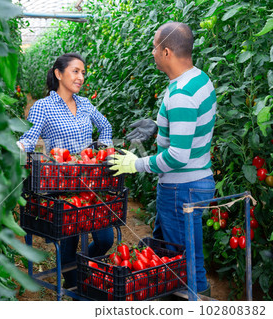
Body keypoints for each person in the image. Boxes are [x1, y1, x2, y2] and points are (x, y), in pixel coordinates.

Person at [108, 22, 216, 296]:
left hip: (181, 188)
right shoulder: (199, 79)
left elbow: (178, 155)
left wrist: (136, 164)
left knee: (184, 268)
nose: (152, 53)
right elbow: (190, 130)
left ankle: (197, 303)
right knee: (178, 255)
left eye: (155, 47)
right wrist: (160, 126)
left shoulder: (180, 95)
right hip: (198, 180)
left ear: (166, 51)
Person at [18, 53, 114, 288]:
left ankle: (83, 266)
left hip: (91, 182)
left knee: (105, 238)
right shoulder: (43, 107)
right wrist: (16, 149)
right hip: (62, 185)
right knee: (68, 240)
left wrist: (101, 151)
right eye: (75, 71)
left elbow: (106, 126)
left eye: (83, 72)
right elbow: (30, 139)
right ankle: (74, 286)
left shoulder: (85, 104)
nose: (81, 77)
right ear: (59, 74)